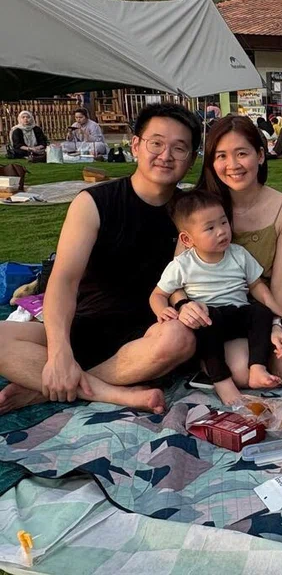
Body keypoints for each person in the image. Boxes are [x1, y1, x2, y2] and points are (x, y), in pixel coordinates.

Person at [0, 103, 203, 416]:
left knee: (180, 339)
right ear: (136, 146)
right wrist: (58, 352)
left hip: (149, 335)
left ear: (190, 159)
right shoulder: (93, 203)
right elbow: (63, 281)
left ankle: (44, 391)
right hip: (86, 325)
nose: (166, 155)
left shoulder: (191, 214)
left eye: (179, 148)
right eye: (156, 143)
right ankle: (101, 390)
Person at [190, 115, 282, 388]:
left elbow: (279, 280)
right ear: (212, 162)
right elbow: (180, 270)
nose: (233, 165)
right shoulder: (199, 206)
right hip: (216, 313)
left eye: (242, 153)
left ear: (261, 155)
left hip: (264, 307)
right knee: (239, 372)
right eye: (222, 156)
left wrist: (277, 323)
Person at [152, 191, 282, 406]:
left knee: (260, 312)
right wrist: (162, 310)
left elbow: (256, 286)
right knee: (210, 322)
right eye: (210, 228)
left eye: (224, 223)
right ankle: (222, 381)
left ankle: (257, 367)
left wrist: (275, 307)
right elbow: (158, 294)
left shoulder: (238, 254)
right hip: (207, 319)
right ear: (187, 239)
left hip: (236, 314)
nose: (221, 232)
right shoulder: (183, 264)